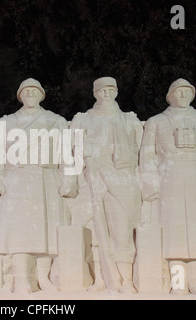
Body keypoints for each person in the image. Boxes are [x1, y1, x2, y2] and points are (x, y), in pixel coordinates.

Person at [0, 78, 78, 293]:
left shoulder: (55, 121)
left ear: (41, 95)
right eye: (26, 91)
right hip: (17, 180)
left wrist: (68, 180)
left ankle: (43, 277)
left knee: (47, 229)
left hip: (45, 178)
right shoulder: (6, 122)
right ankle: (22, 279)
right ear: (20, 95)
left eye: (34, 91)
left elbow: (67, 154)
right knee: (19, 230)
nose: (30, 94)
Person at [139, 78, 196, 295]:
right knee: (173, 231)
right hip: (169, 180)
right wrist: (150, 184)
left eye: (187, 91)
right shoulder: (156, 121)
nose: (183, 95)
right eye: (179, 91)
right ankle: (178, 283)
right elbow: (147, 154)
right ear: (170, 96)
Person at [70, 77, 143, 293]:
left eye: (110, 89)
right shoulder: (83, 120)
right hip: (92, 179)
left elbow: (138, 150)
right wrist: (85, 152)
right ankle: (102, 279)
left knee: (121, 230)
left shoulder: (129, 120)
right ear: (95, 93)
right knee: (95, 231)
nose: (106, 94)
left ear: (117, 92)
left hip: (121, 180)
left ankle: (127, 280)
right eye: (101, 90)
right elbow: (73, 150)